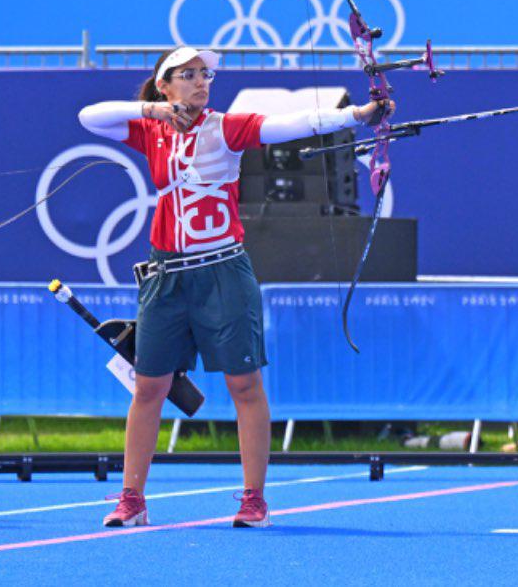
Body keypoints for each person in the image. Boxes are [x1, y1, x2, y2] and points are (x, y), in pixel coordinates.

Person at [76, 47, 392, 530]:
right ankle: (131, 499)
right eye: (189, 75)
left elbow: (295, 123)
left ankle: (253, 499)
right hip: (166, 275)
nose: (202, 82)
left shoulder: (227, 127)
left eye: (206, 74)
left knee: (244, 384)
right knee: (149, 387)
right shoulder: (152, 129)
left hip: (223, 270)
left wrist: (359, 114)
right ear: (165, 85)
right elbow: (88, 116)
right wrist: (152, 111)